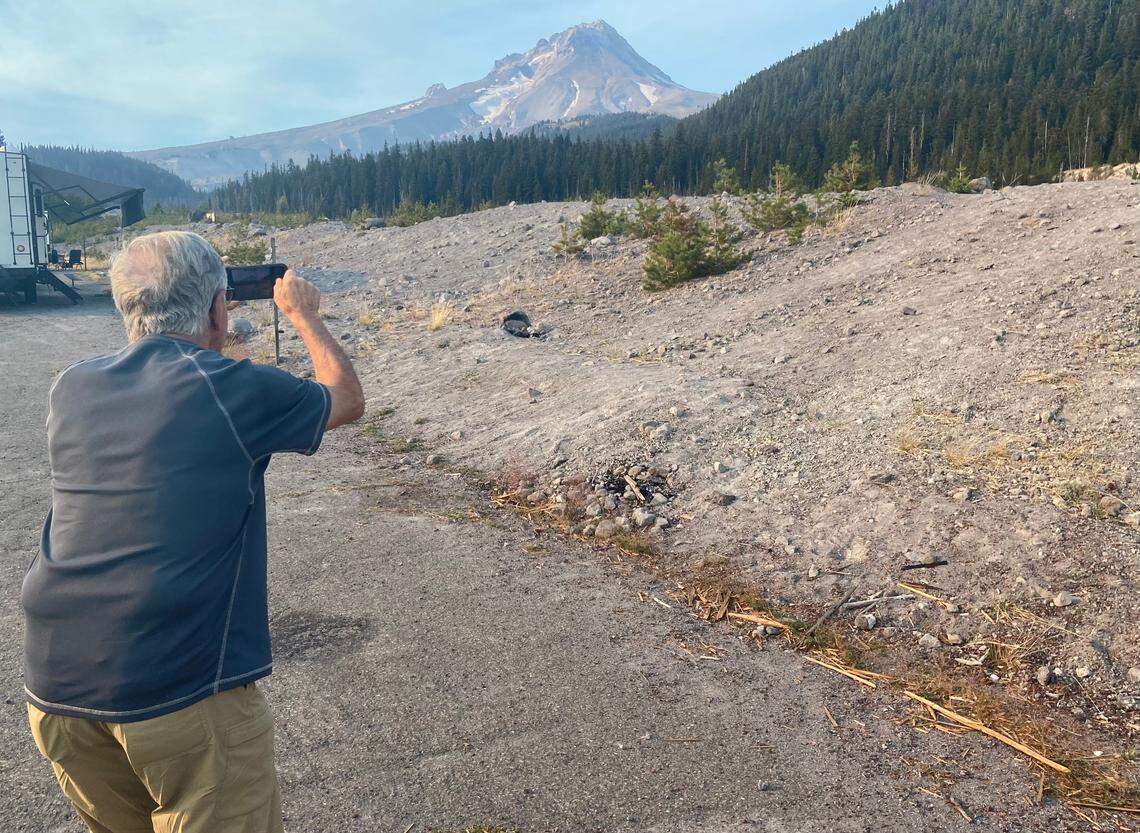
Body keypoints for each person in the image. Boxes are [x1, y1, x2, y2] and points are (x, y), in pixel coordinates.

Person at [21, 230, 365, 833]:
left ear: (124, 305)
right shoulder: (232, 389)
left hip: (56, 686)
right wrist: (304, 316)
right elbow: (345, 399)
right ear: (217, 307)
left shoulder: (71, 386)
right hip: (174, 683)